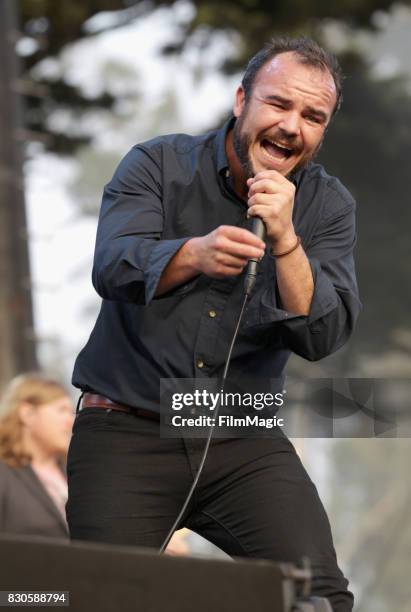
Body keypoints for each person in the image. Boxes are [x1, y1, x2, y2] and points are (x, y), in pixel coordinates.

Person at [67, 36, 361, 611]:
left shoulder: (328, 206)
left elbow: (322, 334)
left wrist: (286, 240)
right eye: (278, 104)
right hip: (127, 430)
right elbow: (112, 264)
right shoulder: (157, 163)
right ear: (241, 100)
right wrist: (191, 255)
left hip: (243, 436)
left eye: (312, 116)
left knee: (318, 597)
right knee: (100, 599)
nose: (291, 126)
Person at [0, 373, 74, 539]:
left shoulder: (73, 473)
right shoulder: (4, 473)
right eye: (62, 410)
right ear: (27, 414)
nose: (70, 421)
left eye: (71, 412)